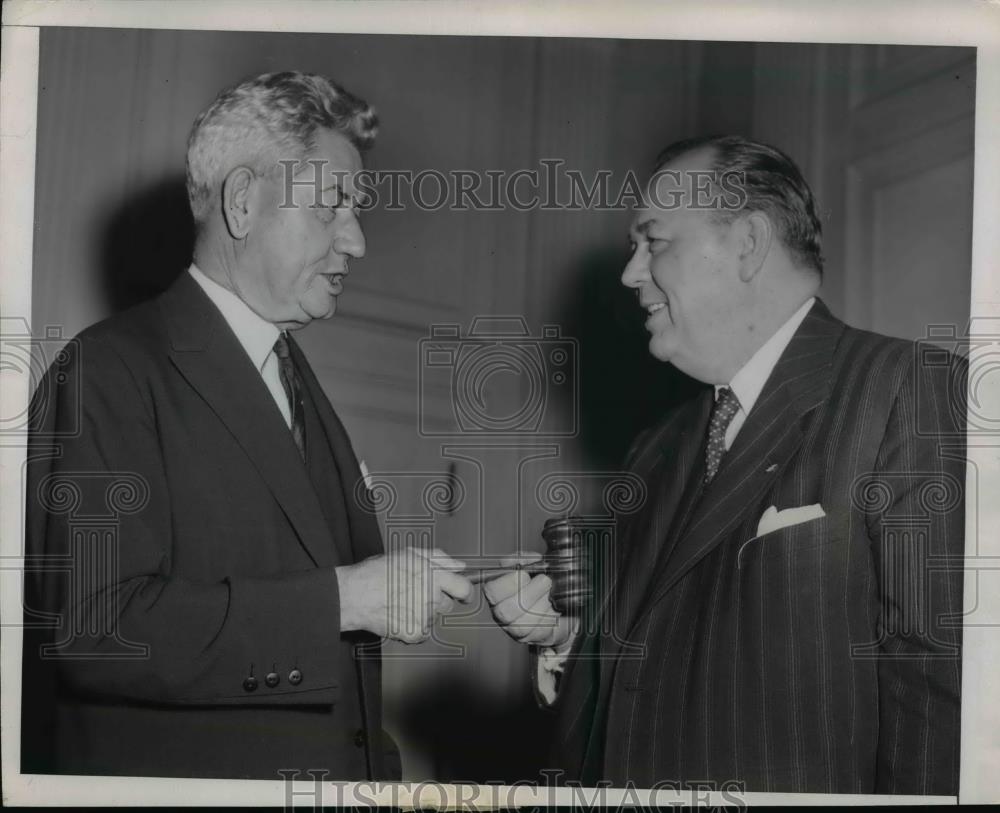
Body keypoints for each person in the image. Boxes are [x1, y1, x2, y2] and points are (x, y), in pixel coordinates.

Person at [21, 71, 472, 780]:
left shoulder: (295, 381)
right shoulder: (107, 371)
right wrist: (345, 598)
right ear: (241, 202)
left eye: (357, 210)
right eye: (332, 207)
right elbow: (96, 631)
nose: (355, 241)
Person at [486, 135, 965, 794]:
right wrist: (569, 638)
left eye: (654, 242)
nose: (630, 273)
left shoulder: (909, 387)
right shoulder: (656, 448)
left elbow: (939, 688)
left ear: (748, 243)